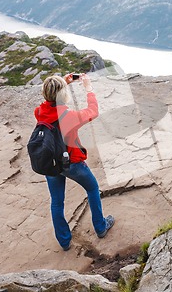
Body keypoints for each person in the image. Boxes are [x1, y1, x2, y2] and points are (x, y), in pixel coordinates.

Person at [34, 73, 114, 251]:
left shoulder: (39, 111)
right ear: (62, 95)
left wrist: (63, 83)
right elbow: (93, 112)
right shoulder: (68, 117)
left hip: (51, 164)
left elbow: (52, 102)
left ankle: (64, 241)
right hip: (72, 163)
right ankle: (100, 227)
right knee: (92, 188)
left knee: (56, 202)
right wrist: (88, 89)